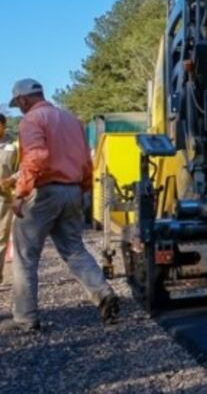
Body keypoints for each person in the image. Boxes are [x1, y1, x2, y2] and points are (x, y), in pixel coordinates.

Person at [1, 79, 119, 333]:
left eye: (18, 103)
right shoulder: (71, 120)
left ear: (23, 100)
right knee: (75, 249)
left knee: (25, 256)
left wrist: (21, 193)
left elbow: (37, 157)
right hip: (73, 189)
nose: (19, 108)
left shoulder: (31, 120)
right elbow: (86, 162)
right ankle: (103, 293)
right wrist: (84, 189)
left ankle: (25, 319)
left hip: (44, 192)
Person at [0, 113, 17, 284]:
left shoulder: (12, 148)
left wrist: (11, 179)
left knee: (1, 239)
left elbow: (22, 169)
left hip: (3, 200)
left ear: (3, 126)